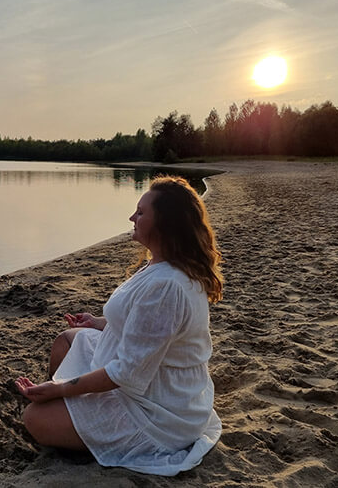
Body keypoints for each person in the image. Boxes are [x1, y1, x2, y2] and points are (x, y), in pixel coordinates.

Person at [15, 175, 224, 476]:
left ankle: (76, 422)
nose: (131, 217)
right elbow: (146, 329)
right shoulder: (162, 263)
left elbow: (126, 372)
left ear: (164, 224)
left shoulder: (167, 286)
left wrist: (61, 390)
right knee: (67, 340)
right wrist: (101, 323)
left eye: (141, 213)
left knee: (34, 419)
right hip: (143, 373)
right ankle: (73, 417)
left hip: (156, 409)